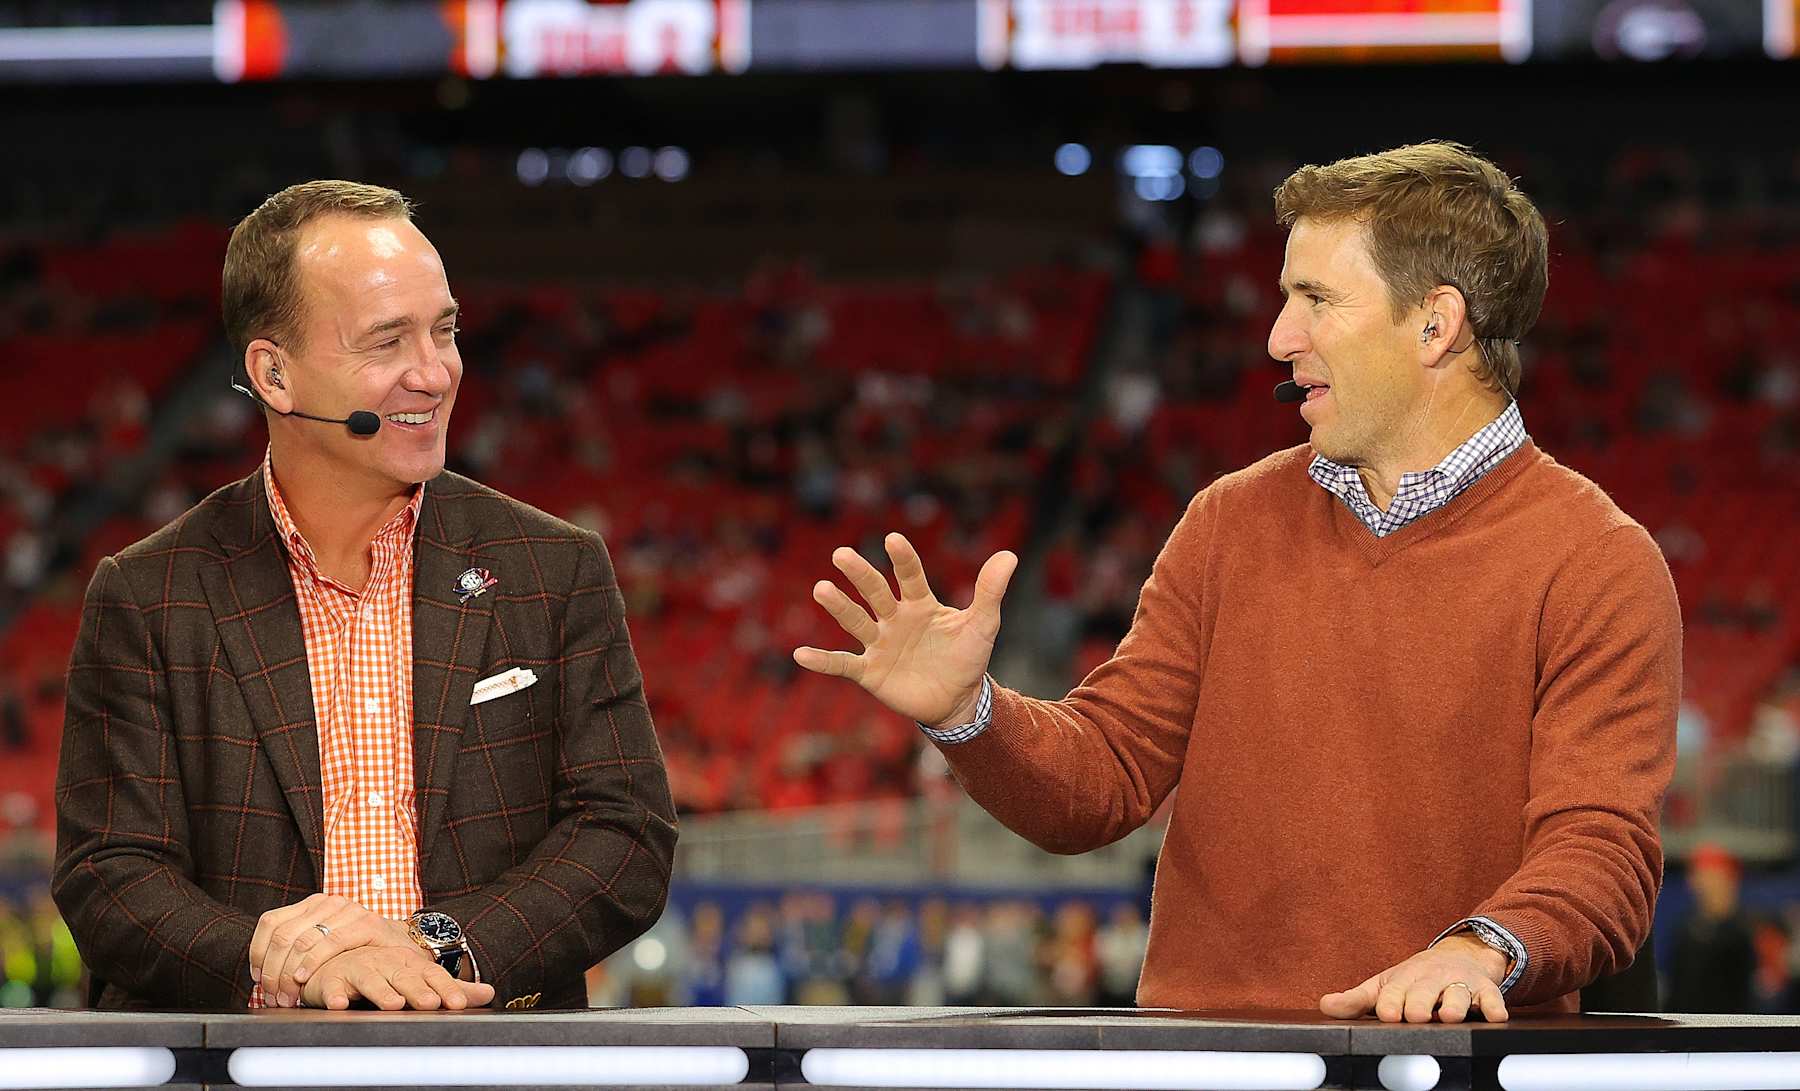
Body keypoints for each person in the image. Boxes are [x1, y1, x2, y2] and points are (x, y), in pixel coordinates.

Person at [795, 142, 1680, 1022]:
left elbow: (1602, 848)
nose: (1277, 336)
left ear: (1435, 324)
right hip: (1212, 1066)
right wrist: (967, 713)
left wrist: (1482, 945)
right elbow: (1103, 778)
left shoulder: (1595, 560)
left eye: (1317, 300)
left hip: (1442, 1069)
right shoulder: (1230, 521)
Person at [53, 181, 676, 1011]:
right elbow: (109, 873)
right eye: (387, 342)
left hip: (486, 1063)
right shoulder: (149, 593)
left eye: (445, 330)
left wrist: (436, 946)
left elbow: (626, 834)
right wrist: (283, 962)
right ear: (274, 374)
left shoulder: (554, 568)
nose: (435, 372)